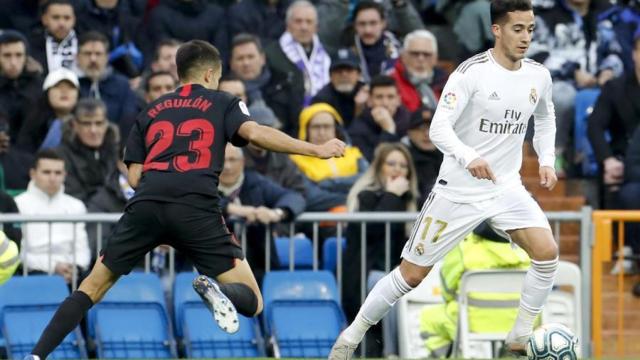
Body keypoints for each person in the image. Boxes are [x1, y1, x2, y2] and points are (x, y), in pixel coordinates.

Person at [23, 39, 345, 360]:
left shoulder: (149, 110)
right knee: (252, 300)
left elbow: (133, 178)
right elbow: (256, 134)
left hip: (146, 204)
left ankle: (35, 356)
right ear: (209, 74)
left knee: (91, 288)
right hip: (196, 207)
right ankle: (218, 289)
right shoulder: (224, 102)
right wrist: (315, 150)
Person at [329, 0, 559, 358]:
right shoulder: (471, 73)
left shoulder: (538, 75)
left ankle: (518, 336)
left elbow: (545, 119)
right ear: (496, 30)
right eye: (517, 28)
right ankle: (350, 337)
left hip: (506, 187)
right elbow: (438, 127)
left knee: (547, 254)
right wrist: (470, 157)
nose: (526, 37)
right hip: (459, 191)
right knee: (410, 275)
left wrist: (546, 159)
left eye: (530, 29)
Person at [342, 142, 419, 357]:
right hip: (363, 276)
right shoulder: (365, 196)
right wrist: (392, 195)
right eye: (391, 163)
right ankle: (393, 353)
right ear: (379, 168)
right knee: (387, 285)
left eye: (403, 166)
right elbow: (372, 230)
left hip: (398, 274)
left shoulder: (411, 201)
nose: (397, 170)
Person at [418, 223, 531, 358]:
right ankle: (508, 355)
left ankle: (454, 356)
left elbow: (447, 291)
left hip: (471, 321)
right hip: (520, 323)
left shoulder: (464, 248)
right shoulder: (528, 248)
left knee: (428, 319)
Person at [15, 150, 91, 283]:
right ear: (33, 174)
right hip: (32, 275)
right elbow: (18, 252)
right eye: (46, 172)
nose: (52, 178)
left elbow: (82, 248)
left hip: (74, 275)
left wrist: (74, 268)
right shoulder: (18, 204)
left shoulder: (76, 205)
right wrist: (52, 266)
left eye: (58, 173)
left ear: (65, 175)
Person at [55, 98, 119, 205]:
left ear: (106, 124)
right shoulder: (60, 155)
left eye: (98, 123)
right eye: (86, 124)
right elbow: (73, 194)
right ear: (74, 125)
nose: (93, 130)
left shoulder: (117, 152)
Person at [17, 67, 79, 153]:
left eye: (70, 87)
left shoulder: (87, 123)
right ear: (47, 93)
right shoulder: (33, 125)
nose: (64, 91)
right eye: (57, 86)